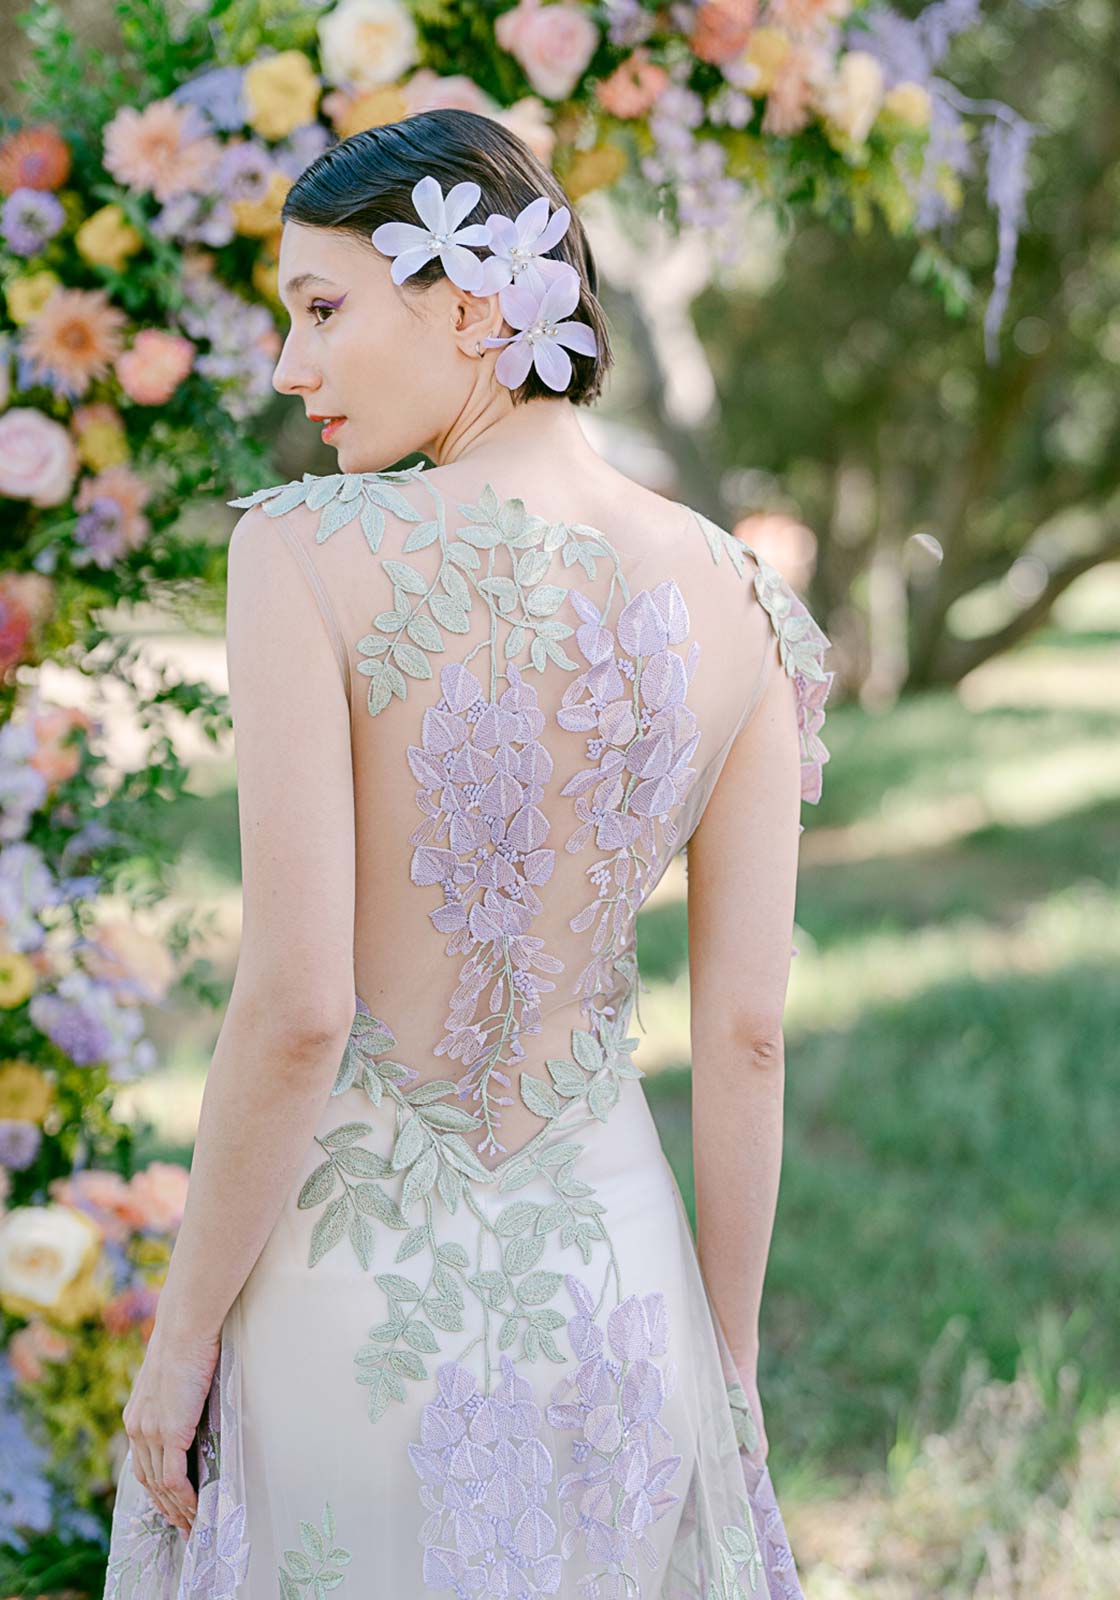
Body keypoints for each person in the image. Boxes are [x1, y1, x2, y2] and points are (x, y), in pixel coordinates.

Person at [102, 106, 833, 1600]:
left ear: (476, 305)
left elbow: (300, 1009)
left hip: (345, 1296)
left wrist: (177, 1345)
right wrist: (728, 1366)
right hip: (615, 1288)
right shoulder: (745, 600)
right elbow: (748, 1037)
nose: (290, 367)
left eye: (322, 311)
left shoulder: (301, 552)